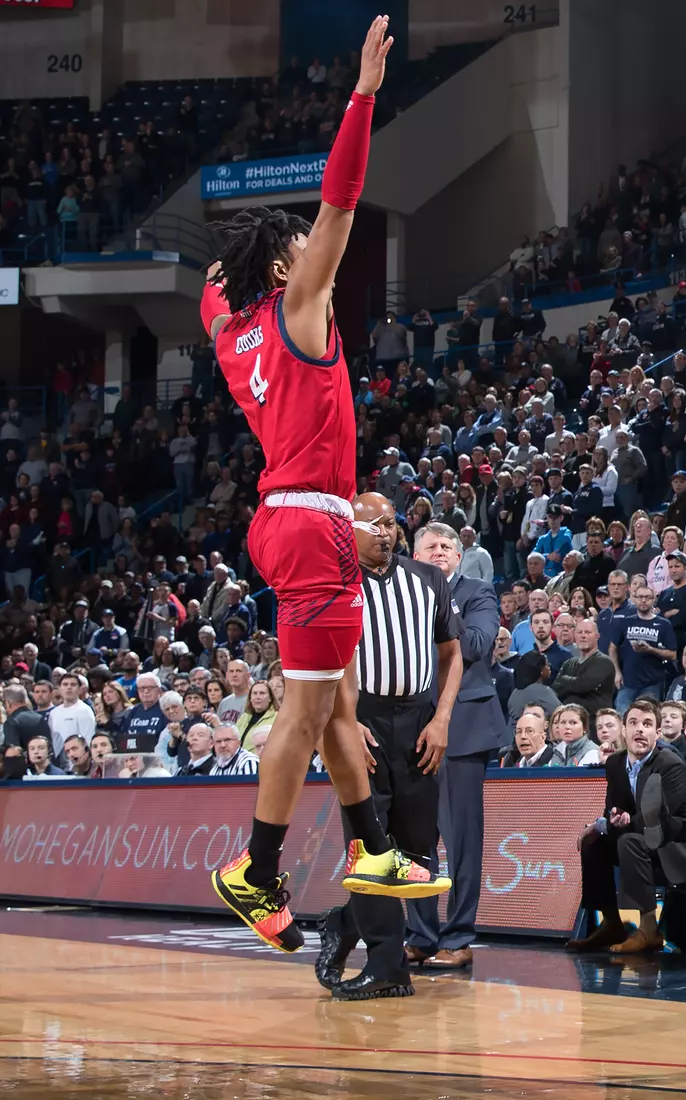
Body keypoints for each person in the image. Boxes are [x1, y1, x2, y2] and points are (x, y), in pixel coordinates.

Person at [200, 18, 442, 949]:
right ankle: (255, 870)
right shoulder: (300, 310)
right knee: (304, 715)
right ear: (283, 267)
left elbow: (212, 289)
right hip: (312, 525)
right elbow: (342, 198)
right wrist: (363, 97)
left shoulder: (232, 332)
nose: (319, 251)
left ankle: (372, 847)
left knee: (338, 702)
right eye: (301, 246)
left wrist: (236, 268)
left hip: (284, 519)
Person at [314, 495, 462, 1001]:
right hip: (362, 721)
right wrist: (345, 721)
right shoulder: (336, 584)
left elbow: (452, 655)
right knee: (370, 850)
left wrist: (442, 719)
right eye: (372, 524)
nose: (385, 532)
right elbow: (321, 661)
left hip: (420, 721)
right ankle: (387, 965)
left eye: (390, 523)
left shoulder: (430, 579)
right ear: (349, 531)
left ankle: (343, 923)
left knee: (416, 853)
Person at [404, 523, 510, 970]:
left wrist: (435, 605)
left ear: (459, 556)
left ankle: (460, 936)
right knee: (414, 841)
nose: (440, 552)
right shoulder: (398, 597)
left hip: (463, 731)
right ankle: (420, 935)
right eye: (430, 546)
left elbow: (477, 645)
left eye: (448, 546)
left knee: (462, 840)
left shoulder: (477, 592)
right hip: (409, 728)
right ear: (414, 556)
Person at [565, 700, 686, 953]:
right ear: (623, 730)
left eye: (647, 724)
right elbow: (613, 810)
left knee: (628, 841)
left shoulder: (670, 764)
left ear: (657, 733)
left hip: (679, 844)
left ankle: (649, 929)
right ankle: (611, 923)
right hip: (643, 838)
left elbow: (660, 819)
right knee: (594, 841)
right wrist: (604, 823)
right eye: (634, 723)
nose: (640, 729)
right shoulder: (615, 763)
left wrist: (610, 824)